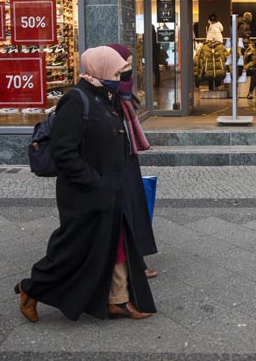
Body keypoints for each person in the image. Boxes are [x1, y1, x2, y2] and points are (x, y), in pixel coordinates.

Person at [15, 46, 155, 322]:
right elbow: (64, 153)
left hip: (109, 190)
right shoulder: (76, 100)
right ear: (99, 70)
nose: (120, 78)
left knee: (109, 248)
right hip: (84, 194)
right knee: (72, 252)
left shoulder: (106, 95)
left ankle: (117, 300)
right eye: (116, 73)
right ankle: (30, 289)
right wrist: (96, 183)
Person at [107, 43, 158, 280]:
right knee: (124, 211)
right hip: (110, 162)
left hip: (127, 157)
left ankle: (135, 259)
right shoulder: (104, 91)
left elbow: (131, 113)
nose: (127, 69)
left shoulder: (124, 88)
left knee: (134, 209)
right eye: (123, 64)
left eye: (129, 64)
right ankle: (128, 262)